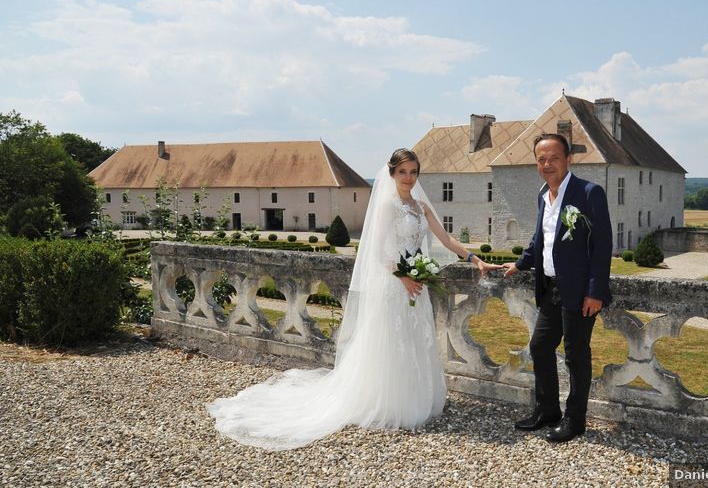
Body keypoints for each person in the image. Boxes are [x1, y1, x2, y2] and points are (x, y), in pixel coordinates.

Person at [207, 148, 502, 450]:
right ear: (391, 174)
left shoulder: (421, 205)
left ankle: (415, 399)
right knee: (390, 340)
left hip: (417, 285)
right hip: (395, 284)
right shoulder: (388, 206)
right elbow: (375, 251)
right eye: (403, 172)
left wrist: (475, 259)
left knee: (415, 339)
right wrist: (403, 276)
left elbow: (445, 238)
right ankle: (388, 403)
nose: (409, 178)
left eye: (414, 172)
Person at [503, 133, 612, 443]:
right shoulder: (543, 195)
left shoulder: (589, 193)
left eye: (553, 158)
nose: (547, 164)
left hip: (580, 291)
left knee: (577, 356)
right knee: (540, 346)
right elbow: (541, 239)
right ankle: (547, 411)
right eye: (541, 159)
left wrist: (595, 291)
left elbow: (603, 245)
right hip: (551, 287)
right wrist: (521, 264)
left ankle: (575, 420)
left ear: (568, 159)